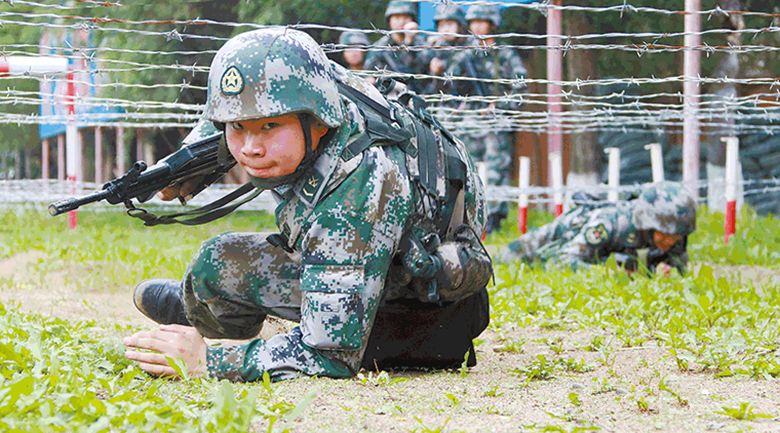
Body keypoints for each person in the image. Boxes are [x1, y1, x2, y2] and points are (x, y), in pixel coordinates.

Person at [122, 28, 492, 382]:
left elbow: (330, 354)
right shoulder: (306, 78)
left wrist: (208, 361)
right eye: (238, 128)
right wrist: (179, 165)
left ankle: (212, 319)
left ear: (317, 121)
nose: (250, 148)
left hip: (422, 302)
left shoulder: (358, 188)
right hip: (384, 255)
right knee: (217, 262)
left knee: (324, 325)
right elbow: (241, 97)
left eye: (269, 127)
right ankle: (198, 308)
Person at [445, 5, 527, 233]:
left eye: (482, 22)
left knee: (495, 168)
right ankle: (468, 212)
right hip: (470, 118)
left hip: (496, 119)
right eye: (474, 22)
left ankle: (495, 217)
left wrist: (498, 104)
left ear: (493, 24)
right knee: (468, 165)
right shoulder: (465, 54)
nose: (478, 27)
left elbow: (521, 85)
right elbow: (449, 80)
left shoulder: (505, 54)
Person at [500, 182, 696, 275]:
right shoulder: (609, 224)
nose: (671, 241)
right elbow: (563, 260)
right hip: (559, 236)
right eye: (666, 234)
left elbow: (681, 270)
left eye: (677, 236)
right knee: (503, 261)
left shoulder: (675, 235)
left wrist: (666, 271)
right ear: (648, 223)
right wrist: (609, 274)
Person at [364, 0, 427, 93]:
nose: (401, 21)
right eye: (397, 17)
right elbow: (369, 75)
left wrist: (408, 42)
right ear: (389, 20)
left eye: (406, 17)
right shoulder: (379, 47)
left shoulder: (422, 44)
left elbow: (425, 72)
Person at [420, 4, 471, 96]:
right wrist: (428, 47)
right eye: (442, 25)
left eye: (450, 24)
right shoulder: (436, 45)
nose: (446, 29)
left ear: (460, 26)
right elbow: (418, 69)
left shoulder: (471, 45)